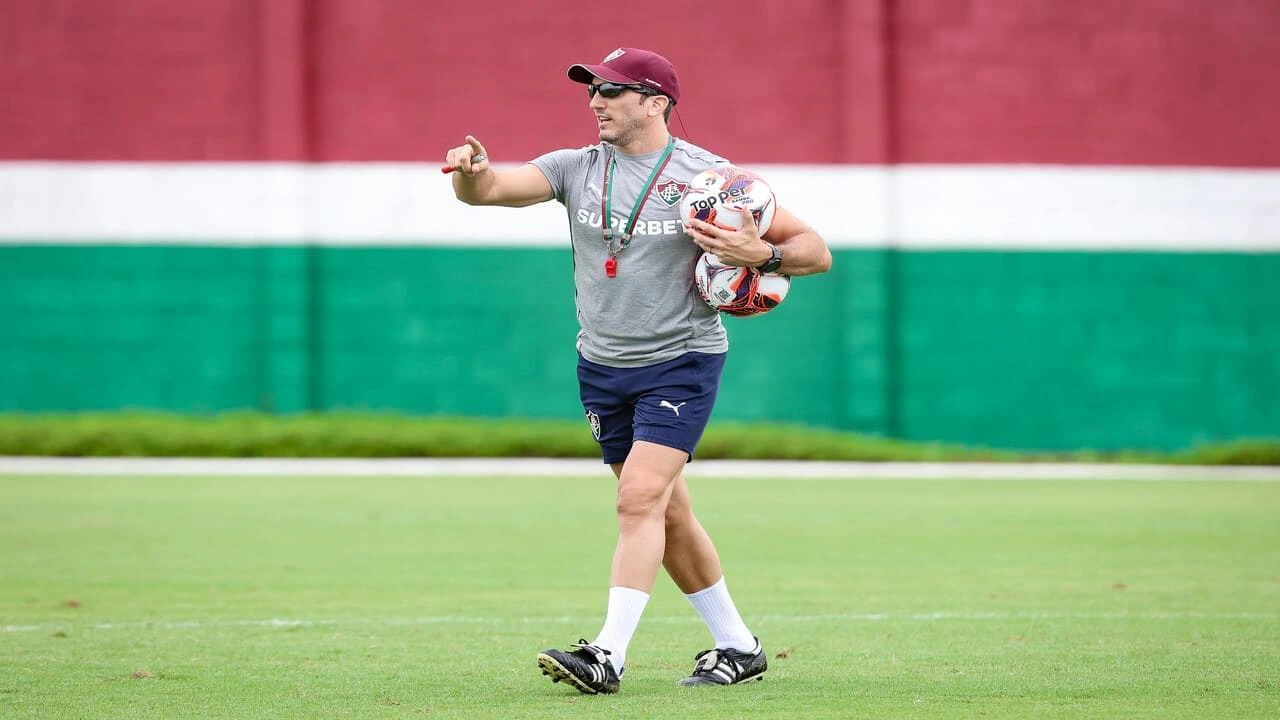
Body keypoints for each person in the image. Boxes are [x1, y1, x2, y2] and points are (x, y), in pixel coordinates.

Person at [442, 47, 832, 694]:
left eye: (613, 92)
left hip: (681, 360)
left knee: (639, 498)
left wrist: (760, 254)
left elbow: (814, 252)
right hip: (601, 364)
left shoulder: (711, 179)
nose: (596, 101)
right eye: (593, 90)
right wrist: (468, 172)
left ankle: (606, 654)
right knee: (666, 514)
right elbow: (490, 192)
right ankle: (739, 647)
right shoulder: (574, 168)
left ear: (656, 103)